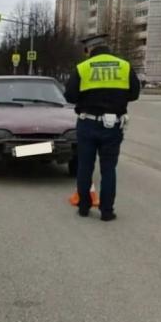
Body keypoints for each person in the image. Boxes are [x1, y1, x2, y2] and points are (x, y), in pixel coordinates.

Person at [64, 34, 140, 221]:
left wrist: (88, 98)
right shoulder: (124, 66)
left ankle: (84, 207)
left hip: (87, 123)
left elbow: (70, 96)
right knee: (108, 170)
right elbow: (134, 93)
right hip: (112, 126)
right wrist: (116, 99)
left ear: (89, 49)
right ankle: (107, 211)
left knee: (85, 167)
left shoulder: (83, 68)